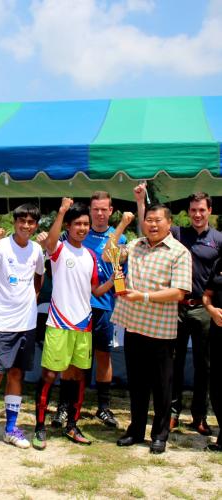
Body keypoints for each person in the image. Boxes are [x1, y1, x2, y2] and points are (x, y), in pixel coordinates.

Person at [135, 185, 222, 435]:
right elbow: (148, 225)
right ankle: (172, 413)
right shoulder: (176, 233)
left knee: (204, 366)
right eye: (193, 210)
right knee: (173, 362)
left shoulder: (219, 240)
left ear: (210, 211)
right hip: (175, 308)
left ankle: (199, 416)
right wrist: (140, 202)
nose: (197, 214)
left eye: (201, 210)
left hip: (203, 310)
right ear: (188, 212)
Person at [33, 199, 117, 450]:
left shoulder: (90, 255)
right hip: (59, 324)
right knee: (50, 375)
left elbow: (95, 290)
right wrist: (61, 211)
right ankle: (40, 427)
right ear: (68, 226)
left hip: (83, 325)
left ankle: (72, 424)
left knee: (77, 376)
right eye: (77, 224)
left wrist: (114, 280)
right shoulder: (59, 249)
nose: (82, 228)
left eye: (85, 224)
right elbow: (50, 243)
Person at [109, 204, 192, 454]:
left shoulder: (179, 252)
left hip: (161, 330)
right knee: (137, 384)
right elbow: (108, 255)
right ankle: (135, 430)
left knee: (162, 385)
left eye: (158, 220)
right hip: (134, 325)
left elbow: (179, 292)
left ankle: (159, 435)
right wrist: (122, 225)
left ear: (169, 223)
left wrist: (143, 296)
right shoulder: (136, 244)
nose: (153, 225)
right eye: (149, 220)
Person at [0, 203, 44, 456]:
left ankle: (10, 428)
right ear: (15, 222)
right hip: (1, 325)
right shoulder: (1, 246)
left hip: (26, 324)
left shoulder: (37, 249)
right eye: (22, 221)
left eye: (31, 222)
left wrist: (32, 297)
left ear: (36, 225)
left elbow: (39, 276)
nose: (26, 225)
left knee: (16, 376)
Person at [52, 191, 127, 429]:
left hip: (103, 305)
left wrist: (119, 288)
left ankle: (103, 407)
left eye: (104, 209)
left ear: (111, 211)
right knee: (70, 360)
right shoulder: (76, 232)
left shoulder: (120, 237)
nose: (100, 213)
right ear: (90, 210)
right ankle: (65, 406)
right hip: (74, 308)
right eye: (96, 209)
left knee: (103, 356)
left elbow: (116, 266)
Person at [202, 254, 222, 452]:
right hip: (218, 332)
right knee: (216, 387)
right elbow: (207, 295)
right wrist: (212, 310)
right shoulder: (219, 262)